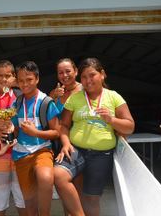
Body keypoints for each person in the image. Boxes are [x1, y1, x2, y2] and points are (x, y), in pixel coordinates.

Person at [53, 58, 135, 216]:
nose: (88, 80)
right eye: (84, 77)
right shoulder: (75, 98)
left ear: (102, 74)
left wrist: (111, 119)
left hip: (101, 155)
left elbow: (130, 126)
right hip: (76, 150)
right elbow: (64, 126)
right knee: (58, 175)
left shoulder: (113, 97)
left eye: (92, 75)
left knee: (91, 199)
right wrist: (66, 143)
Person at [12, 61, 61, 216]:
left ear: (37, 79)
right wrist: (8, 129)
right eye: (21, 80)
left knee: (46, 178)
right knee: (29, 201)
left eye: (29, 79)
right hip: (21, 154)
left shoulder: (46, 102)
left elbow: (57, 132)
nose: (25, 84)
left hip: (42, 149)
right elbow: (15, 130)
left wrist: (36, 133)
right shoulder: (17, 103)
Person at [0, 60, 26, 216]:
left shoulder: (21, 95)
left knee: (23, 198)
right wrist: (1, 122)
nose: (4, 79)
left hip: (21, 153)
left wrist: (17, 85)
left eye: (8, 76)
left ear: (14, 77)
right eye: (0, 76)